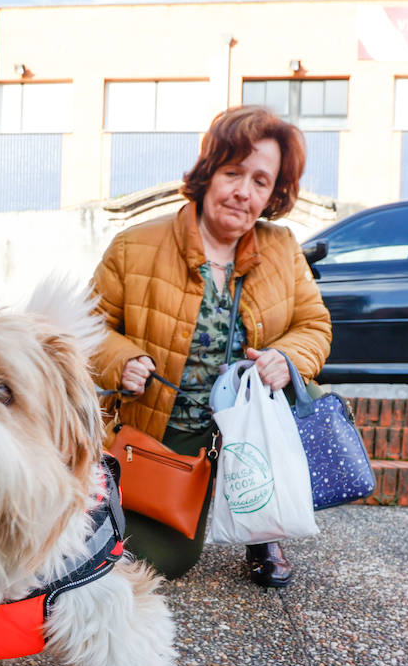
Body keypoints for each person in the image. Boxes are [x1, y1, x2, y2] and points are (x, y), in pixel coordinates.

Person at [89, 105, 332, 586]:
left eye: (261, 182)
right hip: (169, 427)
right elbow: (82, 330)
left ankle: (263, 526)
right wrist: (120, 360)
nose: (244, 192)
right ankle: (196, 498)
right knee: (159, 563)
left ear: (272, 195)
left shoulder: (281, 248)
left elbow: (315, 326)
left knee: (308, 394)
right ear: (208, 173)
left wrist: (287, 359)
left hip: (252, 426)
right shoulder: (132, 246)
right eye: (233, 172)